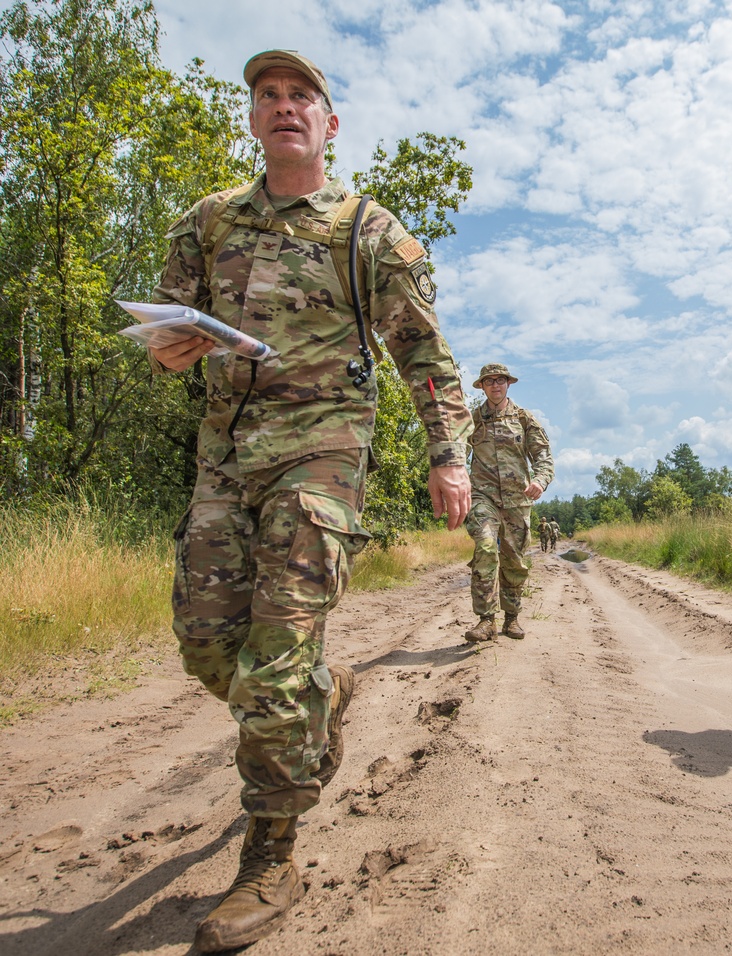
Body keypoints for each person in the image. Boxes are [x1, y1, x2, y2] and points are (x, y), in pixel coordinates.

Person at [148, 50, 472, 952]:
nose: (284, 108)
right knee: (210, 648)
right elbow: (168, 324)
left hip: (323, 455)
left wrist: (450, 457)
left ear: (330, 124)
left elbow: (427, 356)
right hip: (225, 457)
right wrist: (166, 351)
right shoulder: (207, 223)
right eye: (268, 97)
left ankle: (270, 856)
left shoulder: (369, 230)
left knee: (278, 657)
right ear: (252, 120)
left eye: (303, 97)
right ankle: (320, 705)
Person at [465, 363, 554, 642]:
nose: (495, 385)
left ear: (508, 384)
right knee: (486, 546)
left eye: (500, 380)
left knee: (515, 561)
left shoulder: (524, 419)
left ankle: (512, 619)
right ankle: (486, 619)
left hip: (518, 499)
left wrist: (540, 480)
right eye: (489, 381)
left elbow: (543, 456)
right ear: (481, 386)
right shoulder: (472, 420)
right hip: (482, 496)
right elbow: (454, 453)